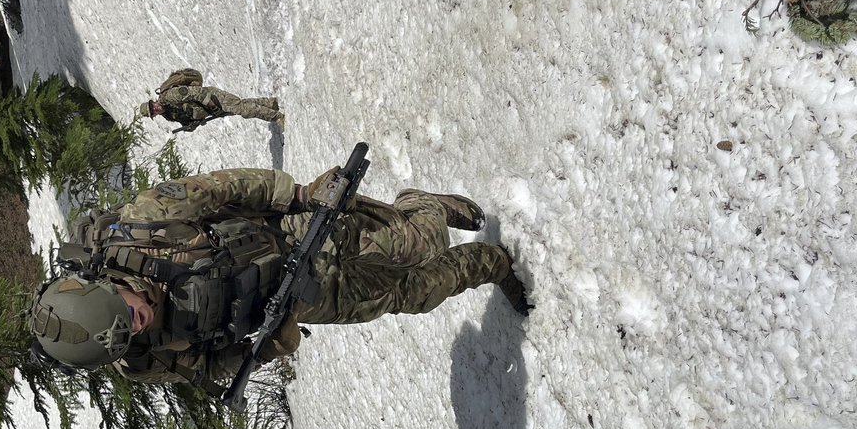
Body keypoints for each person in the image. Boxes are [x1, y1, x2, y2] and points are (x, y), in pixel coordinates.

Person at [28, 166, 532, 390]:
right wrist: (267, 348)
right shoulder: (138, 359)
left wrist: (302, 196)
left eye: (126, 313)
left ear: (105, 283)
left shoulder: (146, 223)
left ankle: (421, 206)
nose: (137, 324)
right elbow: (207, 368)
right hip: (295, 302)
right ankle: (494, 264)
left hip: (292, 236)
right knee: (412, 295)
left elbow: (226, 187)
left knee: (420, 243)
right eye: (128, 335)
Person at [141, 68, 285, 132]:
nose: (155, 109)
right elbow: (187, 119)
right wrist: (191, 126)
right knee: (241, 106)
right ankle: (271, 104)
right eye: (153, 112)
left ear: (153, 102)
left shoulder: (170, 96)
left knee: (243, 110)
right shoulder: (169, 115)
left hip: (212, 98)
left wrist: (212, 106)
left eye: (152, 106)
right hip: (209, 110)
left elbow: (197, 92)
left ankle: (277, 117)